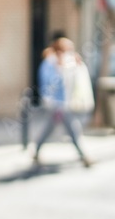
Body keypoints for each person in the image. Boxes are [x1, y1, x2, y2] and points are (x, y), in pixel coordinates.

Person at [32, 35, 92, 167]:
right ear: (60, 49)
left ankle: (36, 150)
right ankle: (84, 156)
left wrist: (76, 65)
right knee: (73, 128)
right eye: (68, 49)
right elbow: (49, 83)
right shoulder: (49, 62)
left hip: (64, 102)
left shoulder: (66, 62)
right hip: (56, 104)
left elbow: (74, 81)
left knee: (50, 128)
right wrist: (60, 68)